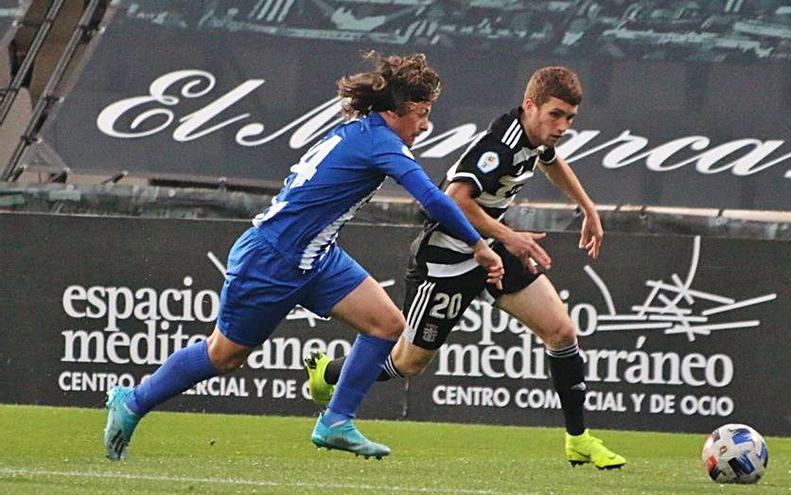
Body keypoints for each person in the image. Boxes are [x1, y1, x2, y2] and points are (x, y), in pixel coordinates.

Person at [103, 51, 504, 462]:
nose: (424, 124)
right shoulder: (380, 141)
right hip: (271, 257)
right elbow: (432, 199)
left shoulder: (362, 132)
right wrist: (478, 244)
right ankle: (132, 401)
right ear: (395, 110)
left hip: (316, 256)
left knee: (386, 325)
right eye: (420, 113)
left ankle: (335, 423)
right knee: (224, 356)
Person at [305, 66, 627, 469]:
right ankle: (330, 374)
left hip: (492, 246)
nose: (562, 126)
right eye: (556, 115)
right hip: (447, 258)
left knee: (561, 331)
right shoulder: (500, 145)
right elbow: (455, 198)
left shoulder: (533, 136)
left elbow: (550, 160)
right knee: (408, 362)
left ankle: (578, 439)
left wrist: (587, 206)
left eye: (569, 119)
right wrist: (509, 237)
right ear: (531, 106)